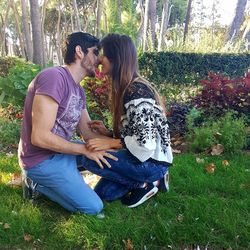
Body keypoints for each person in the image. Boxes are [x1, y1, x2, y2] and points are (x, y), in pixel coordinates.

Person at [18, 32, 117, 215]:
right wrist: (82, 149)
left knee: (112, 157)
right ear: (79, 51)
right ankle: (35, 183)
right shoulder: (54, 77)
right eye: (95, 52)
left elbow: (87, 134)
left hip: (62, 152)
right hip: (41, 160)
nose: (100, 59)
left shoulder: (79, 91)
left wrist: (112, 138)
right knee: (93, 208)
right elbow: (39, 137)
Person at [80, 33, 173, 208]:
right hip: (140, 158)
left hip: (152, 162)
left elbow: (145, 144)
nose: (99, 59)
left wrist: (111, 143)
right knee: (103, 194)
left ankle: (151, 180)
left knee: (88, 159)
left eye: (103, 54)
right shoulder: (127, 88)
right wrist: (108, 133)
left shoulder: (137, 91)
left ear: (116, 58)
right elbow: (135, 131)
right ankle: (144, 183)